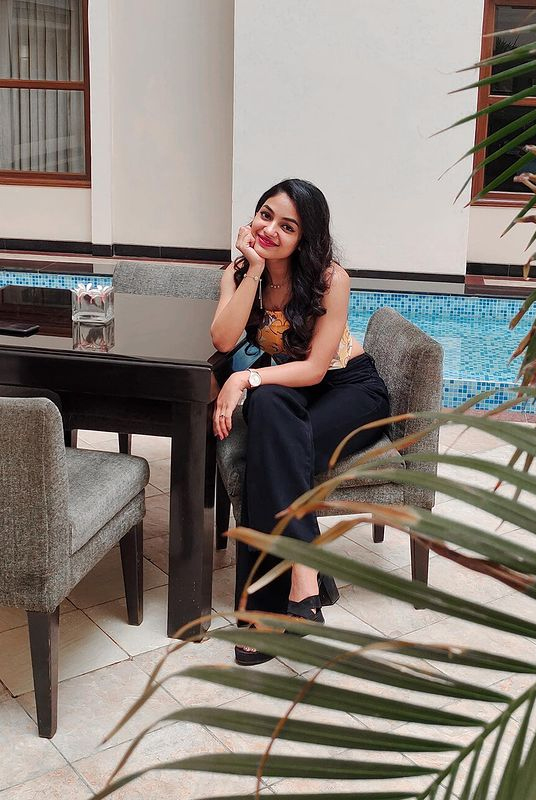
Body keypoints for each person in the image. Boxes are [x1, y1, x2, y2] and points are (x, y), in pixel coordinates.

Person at [210, 178, 390, 666]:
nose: (270, 230)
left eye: (287, 226)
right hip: (294, 393)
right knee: (269, 410)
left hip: (350, 391)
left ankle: (265, 608)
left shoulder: (330, 279)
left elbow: (314, 369)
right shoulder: (240, 272)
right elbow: (223, 340)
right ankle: (304, 577)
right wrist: (253, 271)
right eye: (265, 215)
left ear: (304, 237)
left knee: (268, 445)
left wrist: (244, 379)